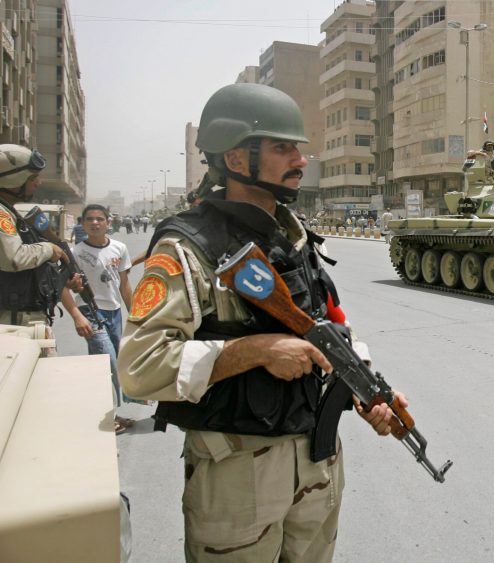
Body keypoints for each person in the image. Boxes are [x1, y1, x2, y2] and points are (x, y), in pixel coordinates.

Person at [117, 83, 402, 561]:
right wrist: (255, 351)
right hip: (239, 473)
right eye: (282, 147)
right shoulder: (189, 248)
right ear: (235, 158)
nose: (300, 159)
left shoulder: (295, 238)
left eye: (298, 148)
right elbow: (139, 367)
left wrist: (366, 386)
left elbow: (329, 325)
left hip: (318, 464)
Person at [61, 204, 134, 432]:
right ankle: (107, 418)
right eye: (90, 219)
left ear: (108, 222)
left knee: (115, 363)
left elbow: (124, 284)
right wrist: (76, 316)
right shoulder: (75, 253)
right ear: (82, 224)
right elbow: (63, 288)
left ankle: (111, 413)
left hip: (114, 313)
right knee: (107, 362)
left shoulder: (120, 248)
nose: (95, 223)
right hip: (90, 311)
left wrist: (136, 316)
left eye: (99, 219)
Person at [0, 144, 72, 328]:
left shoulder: (9, 212)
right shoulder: (1, 213)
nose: (38, 183)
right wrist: (49, 249)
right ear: (12, 181)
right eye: (32, 178)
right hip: (13, 319)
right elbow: (14, 258)